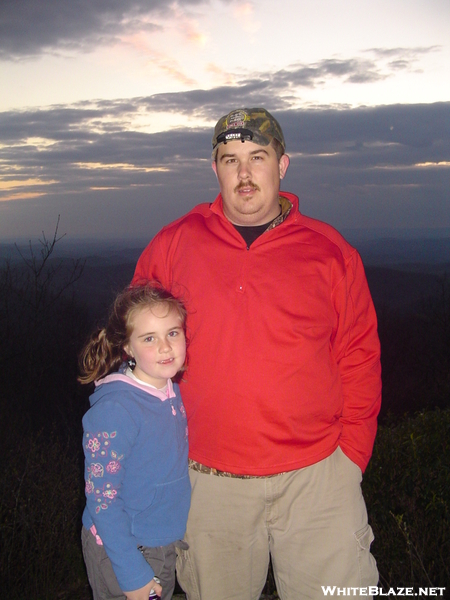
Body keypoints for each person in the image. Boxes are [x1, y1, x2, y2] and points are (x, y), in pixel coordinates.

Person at [132, 108, 382, 599]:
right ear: (216, 169)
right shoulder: (173, 245)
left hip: (317, 480)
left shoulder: (330, 253)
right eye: (230, 160)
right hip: (208, 482)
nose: (244, 174)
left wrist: (350, 458)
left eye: (257, 157)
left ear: (282, 165)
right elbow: (135, 346)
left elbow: (358, 355)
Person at [78, 284, 190, 600]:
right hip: (124, 551)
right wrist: (132, 573)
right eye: (149, 338)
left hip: (159, 541)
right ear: (127, 346)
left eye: (173, 333)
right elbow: (102, 499)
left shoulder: (169, 390)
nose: (166, 347)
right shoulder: (116, 410)